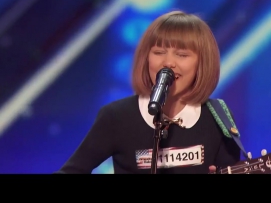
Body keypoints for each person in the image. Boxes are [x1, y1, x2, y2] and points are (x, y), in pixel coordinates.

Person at [55, 10, 241, 174]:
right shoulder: (116, 117)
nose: (168, 63)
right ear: (146, 59)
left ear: (202, 64)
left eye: (182, 55)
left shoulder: (217, 118)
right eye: (159, 52)